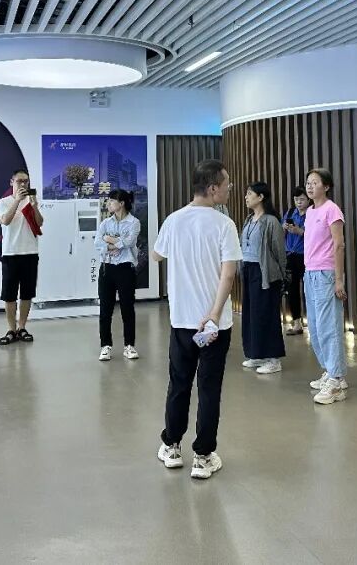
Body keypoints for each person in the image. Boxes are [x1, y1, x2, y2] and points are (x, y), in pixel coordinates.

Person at [152, 159, 242, 480]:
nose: (230, 188)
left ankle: (172, 446)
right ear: (213, 188)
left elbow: (156, 255)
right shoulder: (224, 225)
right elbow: (228, 275)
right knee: (209, 387)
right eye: (227, 184)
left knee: (179, 383)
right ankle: (203, 456)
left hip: (182, 320)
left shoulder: (174, 220)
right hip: (215, 324)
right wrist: (215, 312)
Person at [303, 168, 348, 405]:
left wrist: (339, 279)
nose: (310, 187)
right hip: (310, 273)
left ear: (326, 186)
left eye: (315, 182)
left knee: (328, 326)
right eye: (308, 183)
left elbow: (339, 245)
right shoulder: (310, 211)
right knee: (315, 326)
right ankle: (332, 372)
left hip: (326, 274)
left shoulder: (332, 210)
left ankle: (336, 380)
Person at [239, 182, 288, 375]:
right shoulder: (249, 219)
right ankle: (257, 354)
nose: (246, 197)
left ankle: (274, 359)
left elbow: (279, 252)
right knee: (252, 313)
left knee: (266, 314)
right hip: (249, 270)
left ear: (261, 197)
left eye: (249, 194)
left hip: (266, 273)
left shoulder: (271, 221)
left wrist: (282, 276)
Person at [0, 169, 44, 345]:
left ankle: (22, 327)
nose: (23, 184)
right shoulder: (4, 202)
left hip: (30, 253)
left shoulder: (32, 201)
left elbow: (39, 223)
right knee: (9, 295)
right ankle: (11, 329)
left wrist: (34, 206)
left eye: (26, 181)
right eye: (19, 181)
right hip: (10, 253)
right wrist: (17, 200)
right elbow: (5, 221)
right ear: (12, 182)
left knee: (26, 294)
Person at [95, 189, 142, 362]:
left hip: (125, 268)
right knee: (105, 309)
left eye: (111, 201)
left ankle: (129, 345)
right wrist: (113, 244)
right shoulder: (105, 223)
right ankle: (105, 345)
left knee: (127, 308)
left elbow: (129, 242)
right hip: (106, 268)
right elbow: (97, 243)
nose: (108, 204)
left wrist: (109, 240)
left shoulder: (134, 222)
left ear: (121, 203)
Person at [282, 187, 310, 335]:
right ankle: (297, 323)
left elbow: (316, 236)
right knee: (292, 290)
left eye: (302, 199)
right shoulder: (290, 212)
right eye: (296, 199)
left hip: (306, 256)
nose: (299, 202)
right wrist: (284, 227)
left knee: (308, 290)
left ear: (308, 200)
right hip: (290, 255)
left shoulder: (312, 213)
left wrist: (300, 231)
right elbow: (281, 231)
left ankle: (312, 323)